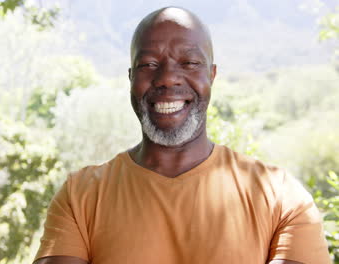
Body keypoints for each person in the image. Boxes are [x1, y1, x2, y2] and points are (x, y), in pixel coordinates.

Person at [33, 7, 330, 264]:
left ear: (211, 75)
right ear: (131, 78)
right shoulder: (80, 196)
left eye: (189, 63)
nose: (167, 78)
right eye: (149, 64)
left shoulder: (281, 197)